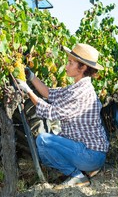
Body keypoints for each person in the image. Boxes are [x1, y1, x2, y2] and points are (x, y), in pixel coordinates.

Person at [16, 43, 109, 188]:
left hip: (90, 155)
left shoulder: (81, 92)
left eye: (71, 63)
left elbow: (52, 112)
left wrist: (28, 91)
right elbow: (49, 93)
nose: (66, 66)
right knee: (47, 148)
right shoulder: (78, 87)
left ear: (83, 67)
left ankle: (77, 176)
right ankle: (85, 170)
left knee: (43, 141)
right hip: (90, 153)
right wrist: (31, 76)